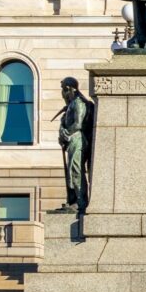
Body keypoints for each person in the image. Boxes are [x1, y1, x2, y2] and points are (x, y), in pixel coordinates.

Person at [55, 77, 95, 217]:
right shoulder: (71, 104)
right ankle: (74, 200)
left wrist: (66, 132)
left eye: (64, 90)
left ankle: (81, 202)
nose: (63, 94)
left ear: (69, 89)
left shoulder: (79, 103)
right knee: (72, 171)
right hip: (72, 140)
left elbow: (78, 124)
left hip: (78, 139)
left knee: (76, 170)